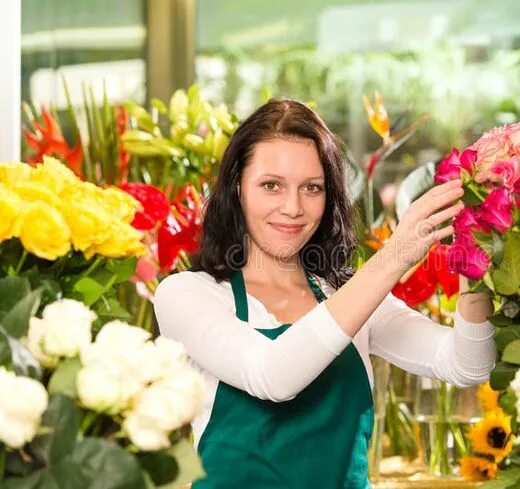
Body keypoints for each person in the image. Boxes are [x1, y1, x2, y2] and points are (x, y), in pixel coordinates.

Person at [152, 99, 496, 489]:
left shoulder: (347, 296)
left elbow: (468, 365)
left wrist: (476, 252)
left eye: (312, 188)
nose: (293, 207)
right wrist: (396, 256)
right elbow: (273, 376)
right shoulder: (186, 295)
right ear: (237, 188)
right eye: (271, 185)